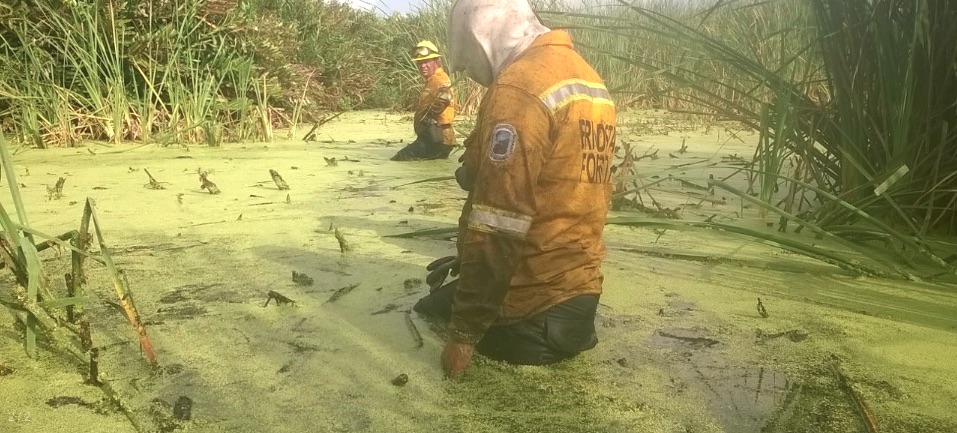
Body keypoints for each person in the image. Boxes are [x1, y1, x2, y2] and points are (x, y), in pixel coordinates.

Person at [412, 0, 617, 379]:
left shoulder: (519, 88)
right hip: (580, 299)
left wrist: (463, 335)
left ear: (480, 38)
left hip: (531, 313)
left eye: (470, 65)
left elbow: (499, 221)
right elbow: (561, 194)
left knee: (422, 315)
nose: (477, 78)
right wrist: (465, 260)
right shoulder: (588, 79)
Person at [390, 40, 457, 161]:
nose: (422, 66)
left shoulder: (439, 79)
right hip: (432, 138)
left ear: (436, 61)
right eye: (419, 63)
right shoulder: (431, 80)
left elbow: (446, 97)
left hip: (437, 138)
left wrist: (429, 115)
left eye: (426, 62)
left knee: (401, 159)